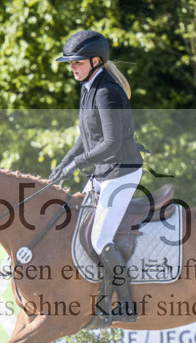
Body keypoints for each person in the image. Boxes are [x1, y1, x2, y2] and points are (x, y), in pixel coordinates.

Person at [50, 30, 144, 322]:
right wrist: (64, 163)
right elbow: (87, 137)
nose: (72, 67)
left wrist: (77, 164)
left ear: (95, 60)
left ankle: (126, 307)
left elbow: (112, 144)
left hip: (121, 172)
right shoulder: (88, 87)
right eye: (70, 63)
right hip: (103, 172)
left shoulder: (107, 92)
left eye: (76, 62)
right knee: (78, 227)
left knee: (100, 237)